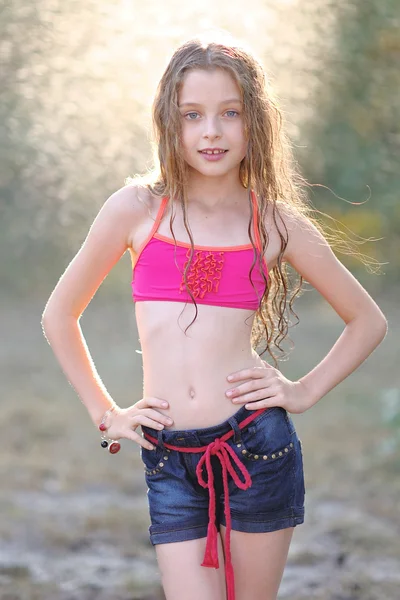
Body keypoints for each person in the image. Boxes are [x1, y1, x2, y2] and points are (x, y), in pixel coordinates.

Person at [41, 32, 387, 600]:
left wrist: (300, 391)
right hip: (169, 459)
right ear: (168, 124)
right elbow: (60, 314)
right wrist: (106, 414)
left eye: (230, 113)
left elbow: (368, 320)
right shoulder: (137, 209)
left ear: (255, 122)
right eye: (192, 115)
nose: (211, 131)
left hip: (257, 447)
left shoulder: (275, 223)